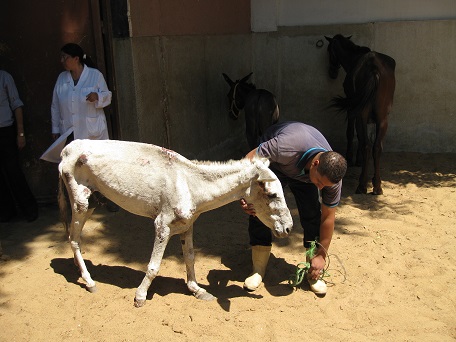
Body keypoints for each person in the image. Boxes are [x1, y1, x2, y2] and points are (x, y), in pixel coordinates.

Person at [241, 121, 347, 295]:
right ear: (315, 164)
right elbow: (248, 162)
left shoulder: (331, 180)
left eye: (324, 186)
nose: (321, 188)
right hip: (275, 165)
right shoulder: (286, 146)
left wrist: (321, 255)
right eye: (320, 182)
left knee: (312, 214)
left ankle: (312, 270)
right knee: (260, 210)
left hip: (304, 176)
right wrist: (245, 196)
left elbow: (328, 218)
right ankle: (257, 269)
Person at [48, 43, 118, 211]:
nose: (62, 60)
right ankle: (82, 202)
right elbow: (55, 106)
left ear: (76, 59)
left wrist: (97, 97)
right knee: (75, 169)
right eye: (62, 57)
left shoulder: (94, 76)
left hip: (92, 132)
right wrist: (55, 129)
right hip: (70, 132)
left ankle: (107, 199)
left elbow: (108, 96)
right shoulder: (62, 79)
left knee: (99, 167)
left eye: (65, 57)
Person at [0, 69, 38, 222]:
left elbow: (16, 105)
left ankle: (29, 209)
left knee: (13, 171)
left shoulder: (4, 77)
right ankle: (6, 211)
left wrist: (20, 133)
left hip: (5, 131)